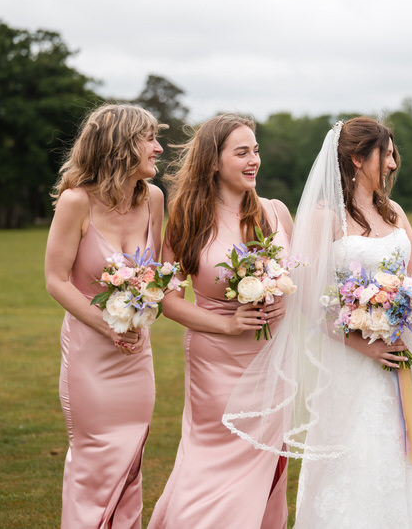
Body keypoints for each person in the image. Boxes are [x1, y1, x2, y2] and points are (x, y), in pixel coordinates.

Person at [224, 118, 412, 528]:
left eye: (393, 154)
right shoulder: (325, 218)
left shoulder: (393, 212)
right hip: (353, 362)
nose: (393, 164)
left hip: (406, 351)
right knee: (364, 455)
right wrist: (363, 342)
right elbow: (306, 298)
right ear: (358, 158)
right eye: (387, 154)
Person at [148, 114, 291, 529]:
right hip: (216, 362)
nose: (254, 161)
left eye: (256, 150)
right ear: (213, 161)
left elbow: (298, 275)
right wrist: (227, 325)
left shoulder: (276, 213)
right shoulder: (189, 218)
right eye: (242, 152)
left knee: (265, 464)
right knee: (213, 464)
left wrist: (284, 301)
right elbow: (168, 299)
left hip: (269, 361)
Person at [44, 103, 166, 528]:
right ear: (121, 145)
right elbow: (56, 280)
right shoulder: (76, 201)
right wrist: (106, 325)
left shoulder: (153, 199)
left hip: (137, 355)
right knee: (94, 461)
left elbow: (161, 272)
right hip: (90, 355)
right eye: (149, 138)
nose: (158, 147)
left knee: (131, 461)